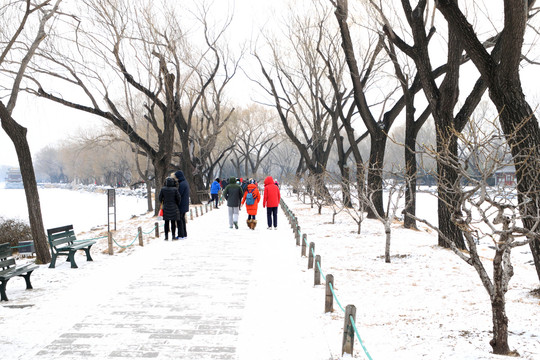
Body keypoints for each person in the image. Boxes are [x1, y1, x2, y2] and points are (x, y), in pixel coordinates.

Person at [174, 170, 190, 239]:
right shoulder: (185, 182)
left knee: (179, 220)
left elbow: (179, 194)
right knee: (182, 219)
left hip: (181, 204)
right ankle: (184, 234)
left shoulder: (182, 184)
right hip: (185, 204)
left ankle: (181, 235)